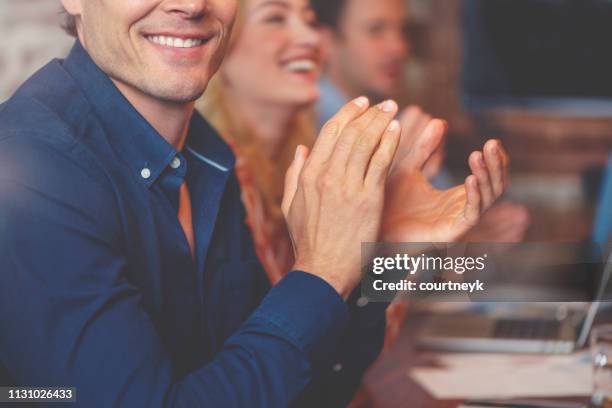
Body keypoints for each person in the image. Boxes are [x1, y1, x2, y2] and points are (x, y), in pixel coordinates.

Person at [0, 1, 508, 407]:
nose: (191, 5)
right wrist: (324, 271)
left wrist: (381, 257)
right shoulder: (32, 168)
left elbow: (298, 390)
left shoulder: (204, 154)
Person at [312, 0, 530, 243]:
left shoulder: (397, 120)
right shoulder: (310, 129)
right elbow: (337, 268)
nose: (399, 48)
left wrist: (471, 236)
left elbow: (437, 235)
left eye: (403, 31)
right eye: (376, 30)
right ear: (326, 42)